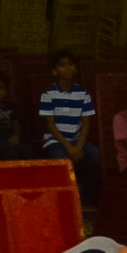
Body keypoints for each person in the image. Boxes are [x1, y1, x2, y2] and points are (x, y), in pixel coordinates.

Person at [40, 49, 100, 196]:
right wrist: (69, 147)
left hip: (77, 139)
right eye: (62, 65)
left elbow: (86, 123)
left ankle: (85, 193)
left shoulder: (83, 93)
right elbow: (50, 125)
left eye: (71, 64)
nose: (67, 68)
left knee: (94, 154)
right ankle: (64, 194)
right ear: (54, 71)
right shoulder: (48, 94)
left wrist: (78, 147)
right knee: (60, 157)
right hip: (56, 140)